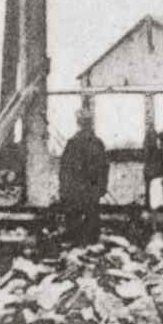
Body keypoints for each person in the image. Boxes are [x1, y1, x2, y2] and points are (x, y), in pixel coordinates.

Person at [58, 97, 111, 244]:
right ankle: (91, 245)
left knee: (74, 219)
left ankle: (75, 245)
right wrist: (102, 188)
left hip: (75, 189)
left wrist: (64, 189)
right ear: (91, 123)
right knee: (92, 217)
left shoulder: (72, 143)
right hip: (92, 188)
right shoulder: (97, 143)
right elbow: (104, 168)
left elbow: (65, 169)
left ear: (78, 123)